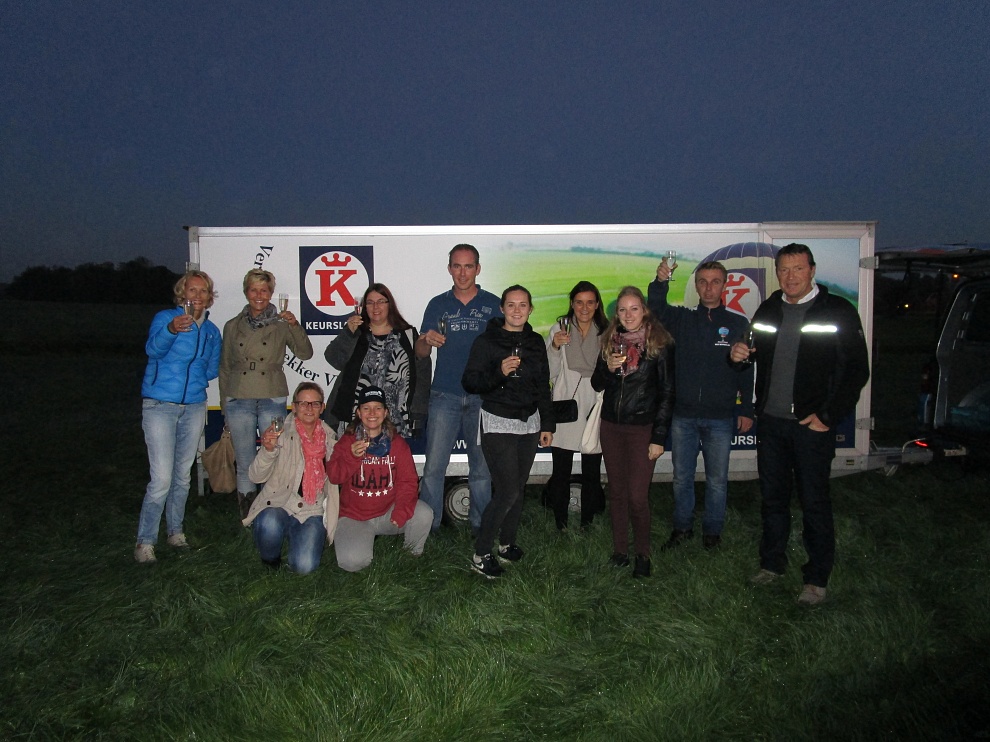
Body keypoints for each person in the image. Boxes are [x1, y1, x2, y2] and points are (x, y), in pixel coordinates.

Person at [730, 243, 869, 605]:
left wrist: (827, 416)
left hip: (811, 426)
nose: (790, 277)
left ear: (812, 270)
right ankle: (772, 564)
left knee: (814, 501)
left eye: (798, 269)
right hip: (772, 423)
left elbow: (857, 371)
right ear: (777, 273)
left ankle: (816, 578)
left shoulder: (837, 310)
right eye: (784, 270)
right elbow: (751, 351)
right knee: (773, 498)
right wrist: (739, 355)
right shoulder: (769, 309)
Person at [648, 259, 754, 551]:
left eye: (715, 282)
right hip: (683, 416)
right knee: (681, 477)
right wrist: (660, 282)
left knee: (717, 480)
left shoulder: (738, 323)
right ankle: (682, 528)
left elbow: (746, 369)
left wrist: (746, 409)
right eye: (703, 282)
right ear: (696, 286)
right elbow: (656, 308)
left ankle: (712, 532)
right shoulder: (682, 319)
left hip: (720, 417)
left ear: (724, 285)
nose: (709, 288)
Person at [462, 286, 554, 578]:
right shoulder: (486, 341)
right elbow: (470, 382)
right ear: (501, 309)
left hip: (529, 422)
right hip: (498, 420)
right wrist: (499, 373)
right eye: (511, 305)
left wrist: (547, 424)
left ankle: (506, 543)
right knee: (507, 490)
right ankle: (481, 553)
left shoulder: (535, 342)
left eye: (522, 305)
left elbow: (543, 385)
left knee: (519, 486)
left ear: (530, 309)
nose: (517, 310)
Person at [135, 270, 222, 563]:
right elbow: (152, 350)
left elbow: (211, 369)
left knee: (183, 476)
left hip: (194, 406)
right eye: (191, 290)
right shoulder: (165, 319)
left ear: (209, 297)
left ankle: (175, 532)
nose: (197, 296)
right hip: (160, 405)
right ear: (181, 293)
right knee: (162, 478)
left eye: (203, 291)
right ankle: (145, 541)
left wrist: (194, 381)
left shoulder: (211, 331)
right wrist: (171, 330)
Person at [415, 244, 503, 532]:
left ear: (478, 269)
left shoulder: (494, 304)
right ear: (449, 268)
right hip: (444, 395)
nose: (462, 273)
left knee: (481, 468)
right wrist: (425, 340)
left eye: (468, 266)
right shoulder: (437, 304)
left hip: (482, 397)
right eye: (457, 266)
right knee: (433, 468)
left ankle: (482, 528)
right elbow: (420, 353)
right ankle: (427, 528)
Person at [591, 286, 675, 578]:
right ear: (617, 314)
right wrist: (607, 368)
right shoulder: (609, 341)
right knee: (617, 492)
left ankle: (642, 553)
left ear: (644, 310)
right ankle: (620, 551)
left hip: (642, 428)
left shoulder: (659, 344)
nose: (628, 315)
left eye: (634, 309)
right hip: (612, 426)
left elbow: (667, 393)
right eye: (622, 310)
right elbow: (596, 383)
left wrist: (659, 437)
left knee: (638, 496)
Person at [220, 268, 314, 519]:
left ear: (271, 293)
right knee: (245, 460)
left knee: (273, 455)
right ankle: (247, 515)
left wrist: (294, 325)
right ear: (246, 292)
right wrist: (225, 404)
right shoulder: (232, 326)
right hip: (239, 396)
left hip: (272, 395)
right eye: (254, 290)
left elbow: (305, 353)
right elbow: (225, 367)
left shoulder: (282, 324)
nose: (259, 295)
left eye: (264, 290)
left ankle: (270, 511)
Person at [326, 386, 433, 571]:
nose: (372, 413)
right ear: (359, 413)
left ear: (385, 412)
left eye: (377, 408)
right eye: (366, 408)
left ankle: (411, 557)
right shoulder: (347, 442)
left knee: (424, 514)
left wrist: (401, 511)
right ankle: (361, 539)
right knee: (352, 562)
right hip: (355, 517)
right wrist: (351, 456)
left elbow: (408, 482)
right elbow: (334, 477)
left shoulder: (397, 444)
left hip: (387, 513)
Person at [242, 382, 339, 574]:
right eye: (303, 403)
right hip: (280, 503)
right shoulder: (279, 433)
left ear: (322, 408)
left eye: (315, 403)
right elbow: (255, 476)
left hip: (312, 510)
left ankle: (297, 538)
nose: (309, 408)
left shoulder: (331, 440)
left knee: (304, 567)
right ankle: (271, 562)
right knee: (269, 523)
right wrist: (268, 450)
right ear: (294, 407)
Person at [322, 283, 431, 438]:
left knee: (393, 455)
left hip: (396, 419)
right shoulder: (356, 333)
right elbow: (334, 360)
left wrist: (418, 412)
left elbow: (422, 375)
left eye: (381, 301)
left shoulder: (407, 335)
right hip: (357, 419)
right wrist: (348, 333)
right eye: (370, 302)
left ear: (389, 305)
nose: (375, 307)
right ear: (364, 307)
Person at [545, 281, 609, 530]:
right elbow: (549, 373)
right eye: (579, 302)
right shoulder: (560, 328)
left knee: (591, 472)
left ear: (597, 304)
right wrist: (554, 347)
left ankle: (587, 525)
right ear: (572, 304)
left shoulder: (606, 332)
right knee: (561, 471)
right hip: (566, 407)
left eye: (590, 302)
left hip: (595, 407)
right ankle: (560, 525)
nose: (584, 308)